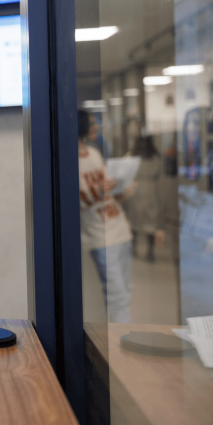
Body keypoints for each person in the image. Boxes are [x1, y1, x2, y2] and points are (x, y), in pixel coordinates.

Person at [78, 110, 134, 323]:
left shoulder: (94, 153)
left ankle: (122, 335)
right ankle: (120, 340)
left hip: (121, 229)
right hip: (100, 236)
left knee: (125, 291)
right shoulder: (70, 161)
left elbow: (107, 190)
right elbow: (78, 202)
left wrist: (121, 190)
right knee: (117, 297)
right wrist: (99, 190)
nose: (95, 127)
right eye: (91, 123)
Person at [125, 135, 165, 262]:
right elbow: (159, 174)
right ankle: (150, 252)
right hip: (151, 190)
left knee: (134, 220)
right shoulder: (156, 157)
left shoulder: (132, 157)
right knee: (151, 222)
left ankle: (134, 249)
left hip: (136, 189)